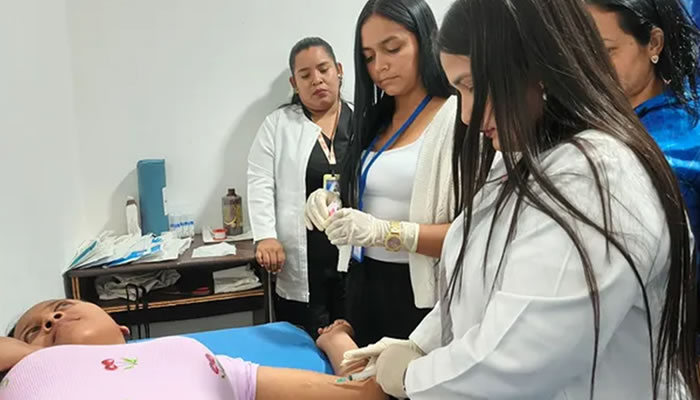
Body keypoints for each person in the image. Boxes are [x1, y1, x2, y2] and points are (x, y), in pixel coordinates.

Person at [340, 0, 700, 399]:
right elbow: (482, 285)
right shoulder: (517, 163)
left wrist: (413, 376)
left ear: (537, 67)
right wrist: (421, 344)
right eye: (459, 90)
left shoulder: (598, 179)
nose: (466, 115)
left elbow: (524, 357)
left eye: (472, 86)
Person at [305, 0, 458, 348]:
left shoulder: (454, 118)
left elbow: (472, 233)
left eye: (392, 48)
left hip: (422, 294)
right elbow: (372, 189)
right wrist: (334, 199)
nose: (380, 67)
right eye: (369, 56)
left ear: (426, 40)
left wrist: (384, 232)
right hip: (366, 284)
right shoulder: (375, 120)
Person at [0, 299, 386, 399]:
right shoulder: (24, 369)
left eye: (60, 307)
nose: (50, 321)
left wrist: (335, 340)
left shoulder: (195, 357)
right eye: (33, 331)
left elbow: (361, 392)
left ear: (120, 327)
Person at [586, 0, 700, 274]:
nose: (591, 67)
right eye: (583, 52)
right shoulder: (599, 118)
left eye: (606, 51)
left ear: (653, 43)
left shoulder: (678, 150)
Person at [248, 37, 352, 338]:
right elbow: (259, 181)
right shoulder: (278, 125)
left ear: (339, 70)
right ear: (294, 83)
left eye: (323, 69)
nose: (316, 80)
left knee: (355, 340)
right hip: (304, 254)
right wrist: (266, 236)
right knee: (304, 341)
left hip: (354, 250)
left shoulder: (363, 120)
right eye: (305, 75)